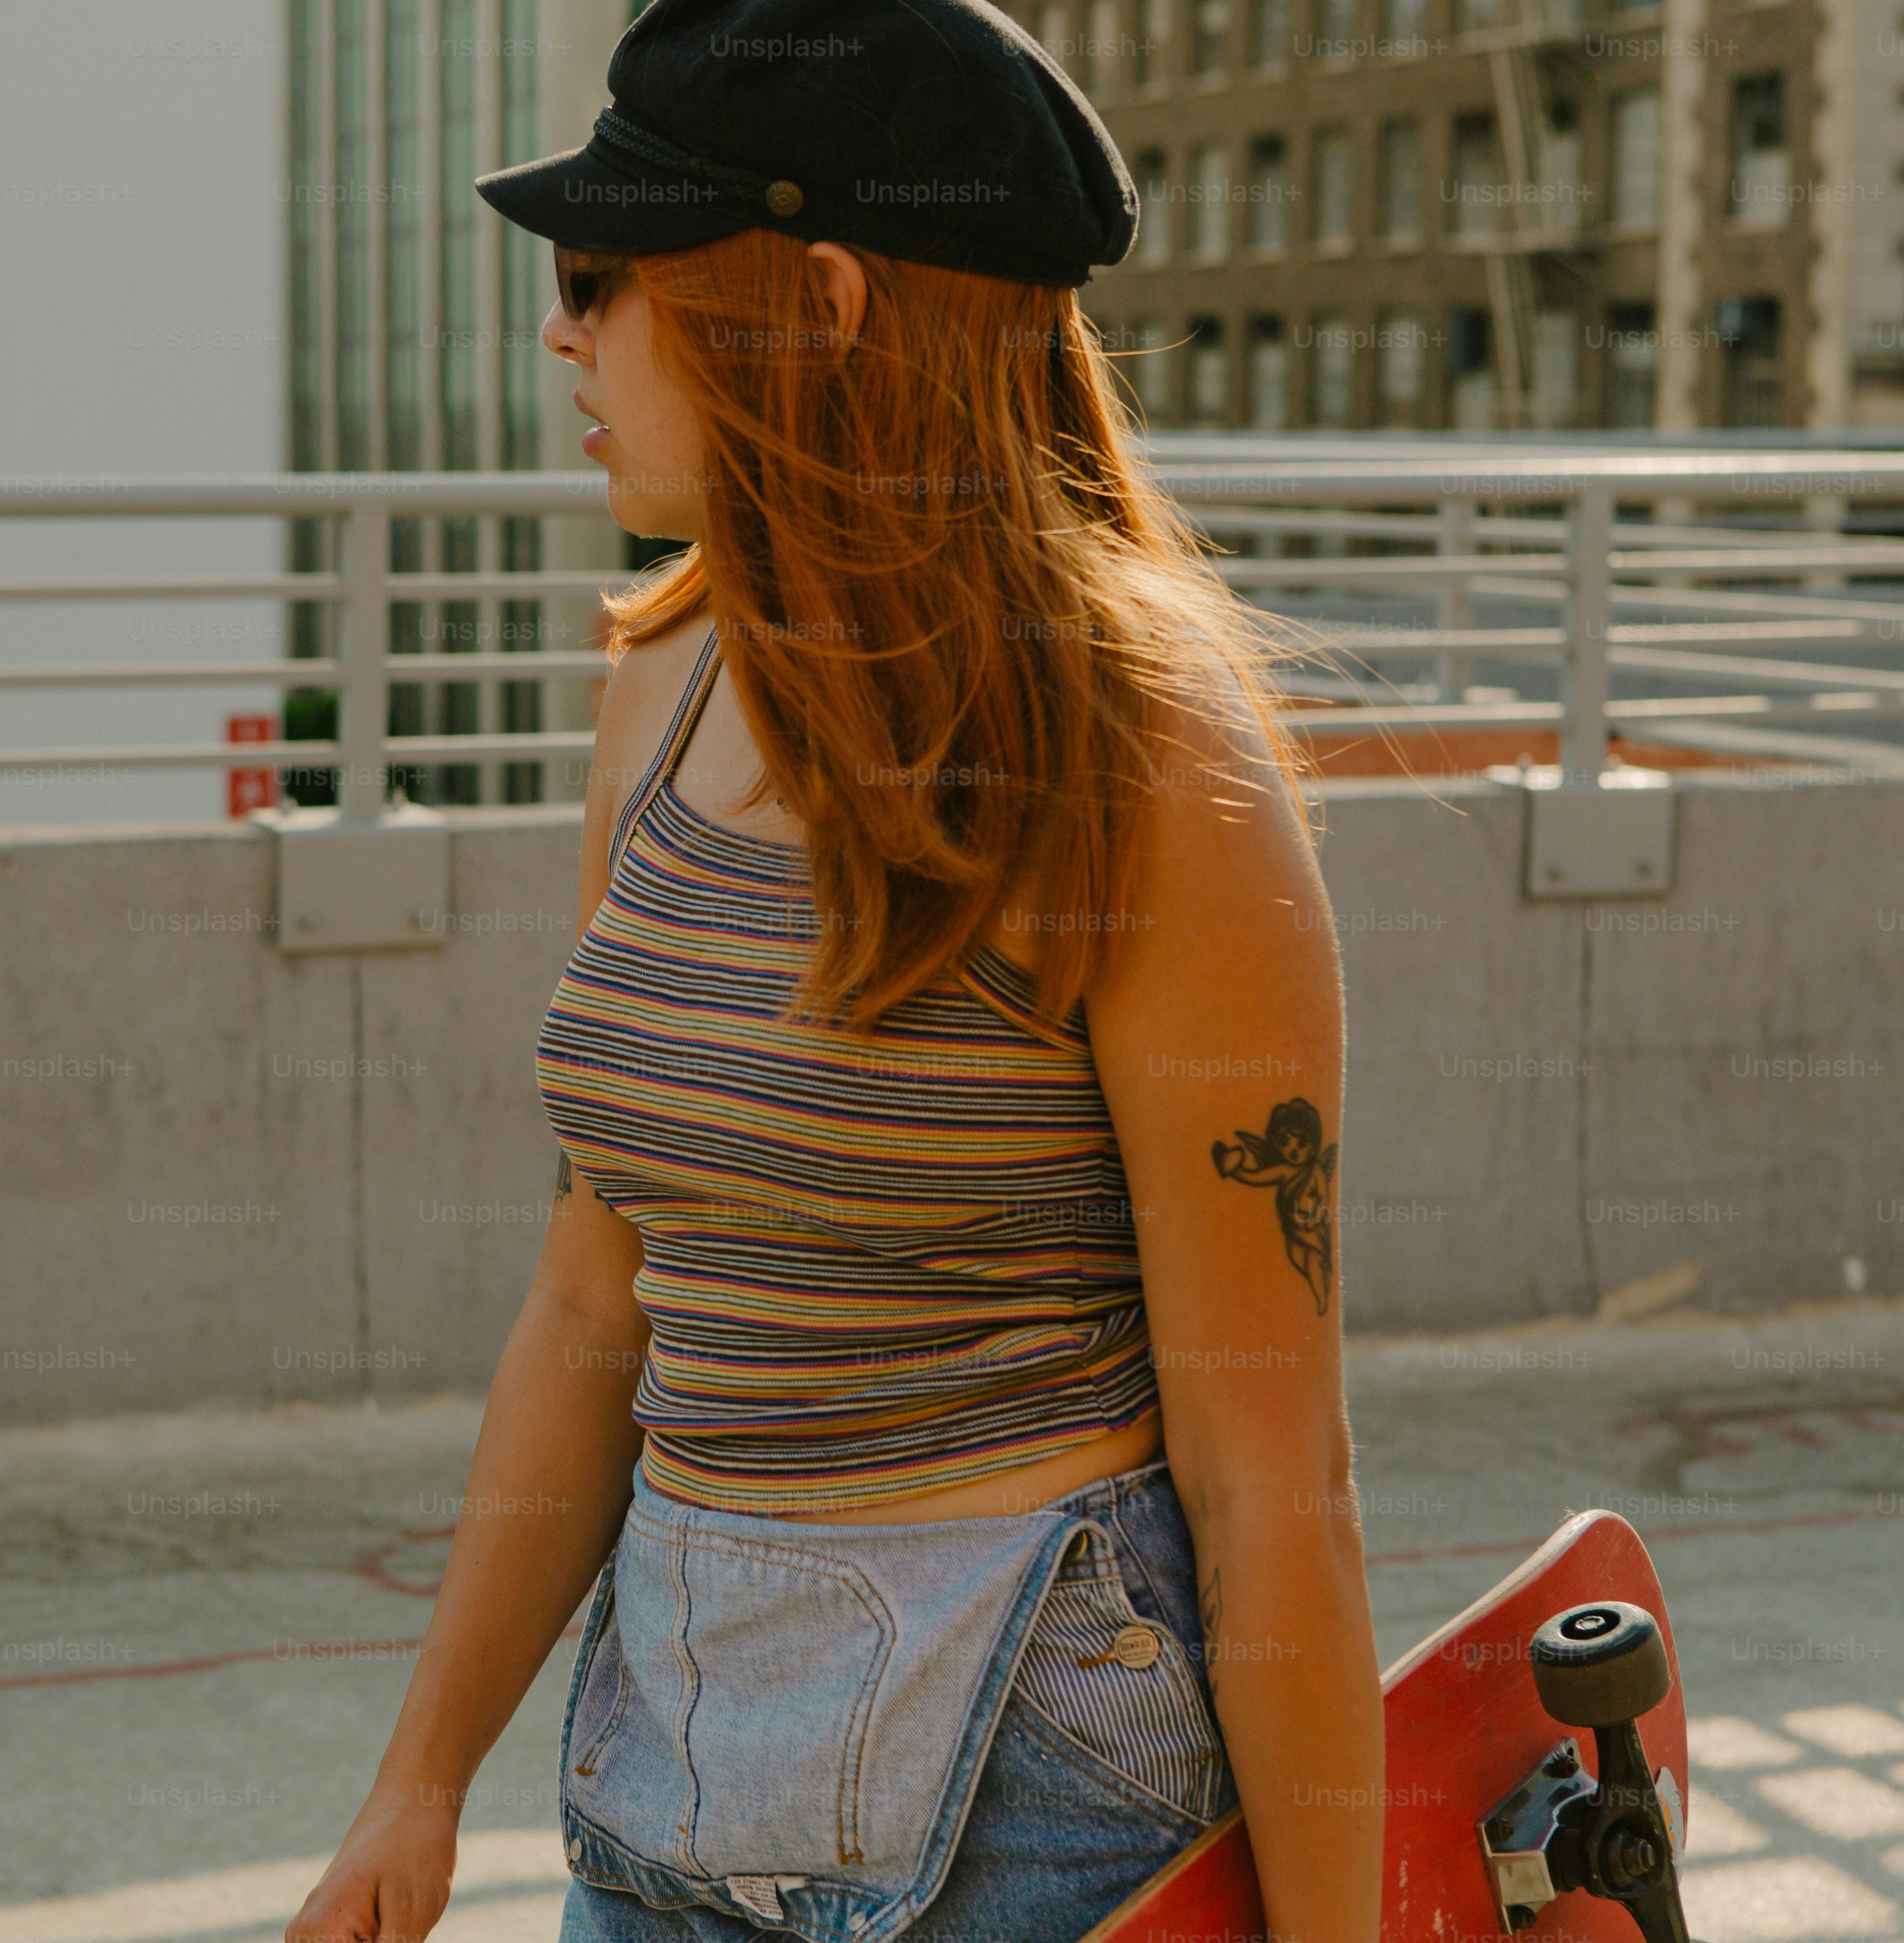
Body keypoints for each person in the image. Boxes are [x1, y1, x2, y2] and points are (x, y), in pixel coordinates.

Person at [288, 4, 1381, 1938]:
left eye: (609, 273)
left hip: (1034, 1777)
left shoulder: (1146, 761)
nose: (563, 327)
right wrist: (419, 1780)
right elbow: (590, 1306)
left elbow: (1269, 1471)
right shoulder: (659, 683)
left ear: (827, 309)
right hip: (678, 1752)